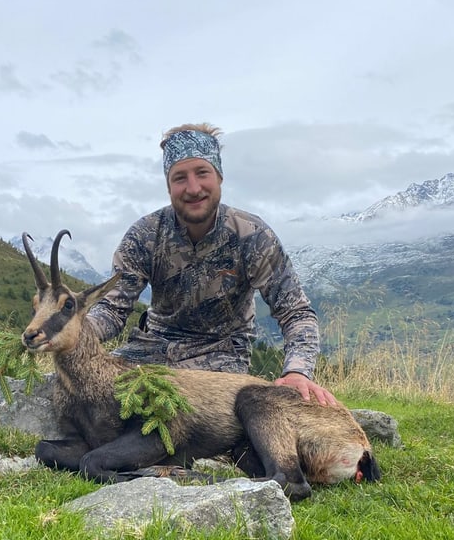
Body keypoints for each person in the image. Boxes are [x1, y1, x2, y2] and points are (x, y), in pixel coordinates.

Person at [86, 122, 337, 406]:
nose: (193, 188)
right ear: (168, 186)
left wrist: (296, 371)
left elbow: (296, 312)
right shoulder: (144, 236)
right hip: (151, 348)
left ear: (219, 177)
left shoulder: (253, 236)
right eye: (180, 177)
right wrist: (77, 331)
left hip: (221, 355)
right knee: (92, 392)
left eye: (202, 173)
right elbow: (112, 309)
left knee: (195, 414)